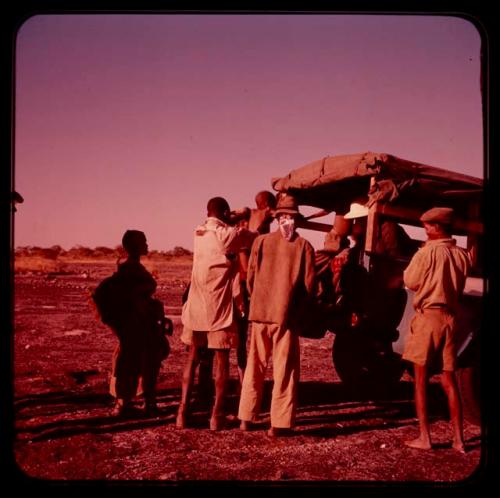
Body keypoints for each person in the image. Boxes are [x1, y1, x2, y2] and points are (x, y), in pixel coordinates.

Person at [238, 194, 316, 436]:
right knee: (284, 370)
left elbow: (250, 279)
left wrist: (261, 298)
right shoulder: (304, 246)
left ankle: (246, 418)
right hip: (286, 316)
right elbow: (310, 286)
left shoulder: (261, 242)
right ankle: (279, 424)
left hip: (260, 312)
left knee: (255, 366)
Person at [176, 197, 256, 431]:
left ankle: (182, 412)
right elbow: (253, 236)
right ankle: (217, 415)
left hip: (195, 308)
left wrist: (229, 216)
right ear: (225, 212)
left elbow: (217, 221)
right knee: (222, 362)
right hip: (219, 309)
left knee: (192, 359)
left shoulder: (198, 231)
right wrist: (243, 214)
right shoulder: (230, 235)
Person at [402, 207, 470, 452]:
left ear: (437, 228)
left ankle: (424, 438)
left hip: (428, 318)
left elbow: (410, 281)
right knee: (449, 380)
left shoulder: (426, 253)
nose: (425, 229)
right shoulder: (462, 255)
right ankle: (459, 440)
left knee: (420, 380)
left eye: (428, 226)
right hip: (450, 319)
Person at [103, 230, 171, 417]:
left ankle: (123, 404)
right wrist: (148, 316)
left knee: (129, 362)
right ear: (135, 246)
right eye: (144, 242)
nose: (147, 244)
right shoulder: (132, 271)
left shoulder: (127, 269)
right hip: (140, 327)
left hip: (133, 327)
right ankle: (147, 404)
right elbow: (134, 299)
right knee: (147, 362)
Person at [230, 190, 277, 384]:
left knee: (243, 337)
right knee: (246, 336)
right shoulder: (259, 217)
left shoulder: (246, 217)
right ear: (267, 205)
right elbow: (244, 258)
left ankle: (245, 380)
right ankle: (245, 381)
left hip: (246, 281)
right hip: (246, 283)